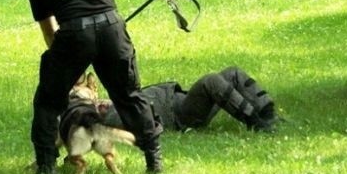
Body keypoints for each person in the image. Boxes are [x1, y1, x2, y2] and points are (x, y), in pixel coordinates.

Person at [27, 0, 174, 174]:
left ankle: (46, 167)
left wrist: (62, 63)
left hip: (73, 32)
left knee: (48, 102)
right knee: (129, 95)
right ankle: (154, 159)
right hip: (111, 28)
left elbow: (48, 28)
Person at [98, 66, 280, 133]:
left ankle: (269, 114)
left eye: (97, 101)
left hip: (185, 100)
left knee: (232, 73)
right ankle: (256, 123)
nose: (99, 103)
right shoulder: (112, 118)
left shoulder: (116, 101)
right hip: (181, 115)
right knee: (210, 81)